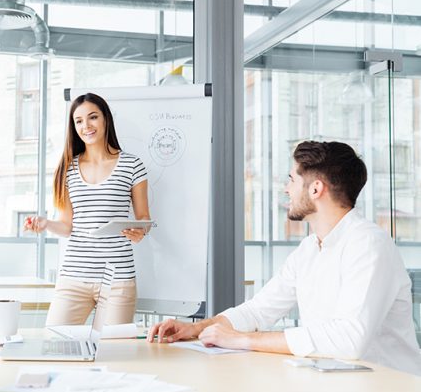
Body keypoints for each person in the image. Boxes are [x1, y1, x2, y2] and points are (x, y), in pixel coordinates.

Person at [148, 140, 421, 376]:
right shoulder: (308, 249)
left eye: (291, 179)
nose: (285, 189)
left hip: (387, 391)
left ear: (316, 189)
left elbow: (348, 340)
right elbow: (258, 310)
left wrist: (243, 340)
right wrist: (196, 329)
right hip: (338, 387)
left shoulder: (368, 243)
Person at [25, 93, 151, 326]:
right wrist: (46, 224)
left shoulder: (132, 165)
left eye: (93, 117)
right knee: (56, 344)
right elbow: (66, 227)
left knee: (111, 352)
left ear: (105, 120)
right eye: (79, 121)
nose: (86, 126)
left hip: (117, 280)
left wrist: (139, 231)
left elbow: (144, 218)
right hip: (73, 277)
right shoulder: (67, 169)